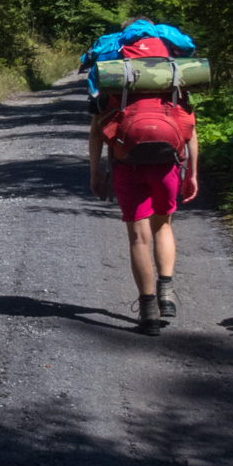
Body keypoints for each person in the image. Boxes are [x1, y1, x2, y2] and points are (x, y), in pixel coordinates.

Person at [83, 18, 199, 334]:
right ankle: (166, 290)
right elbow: (189, 129)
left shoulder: (113, 69)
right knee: (163, 224)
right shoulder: (172, 70)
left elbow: (96, 132)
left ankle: (148, 312)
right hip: (168, 161)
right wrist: (192, 174)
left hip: (125, 161)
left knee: (138, 236)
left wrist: (96, 172)